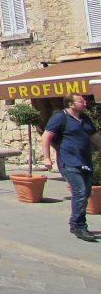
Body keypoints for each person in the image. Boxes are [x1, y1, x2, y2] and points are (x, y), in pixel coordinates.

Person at [42, 94, 101, 242]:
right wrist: (47, 157)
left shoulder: (85, 119)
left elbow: (95, 137)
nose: (85, 104)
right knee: (80, 191)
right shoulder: (60, 118)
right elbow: (46, 136)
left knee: (85, 192)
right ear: (71, 104)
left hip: (85, 161)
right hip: (68, 162)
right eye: (82, 101)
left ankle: (76, 222)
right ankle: (79, 226)